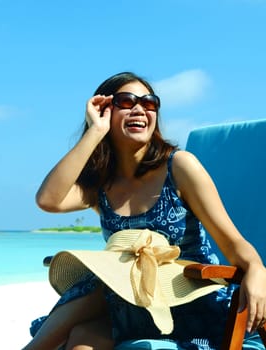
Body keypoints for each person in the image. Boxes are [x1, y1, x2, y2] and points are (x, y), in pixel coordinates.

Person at [23, 72, 266, 350]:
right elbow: (48, 200)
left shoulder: (180, 167)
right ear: (104, 111)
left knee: (104, 280)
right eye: (126, 101)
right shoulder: (103, 185)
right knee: (81, 341)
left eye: (149, 103)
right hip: (129, 305)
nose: (139, 108)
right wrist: (95, 132)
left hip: (188, 302)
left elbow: (233, 242)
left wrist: (257, 269)